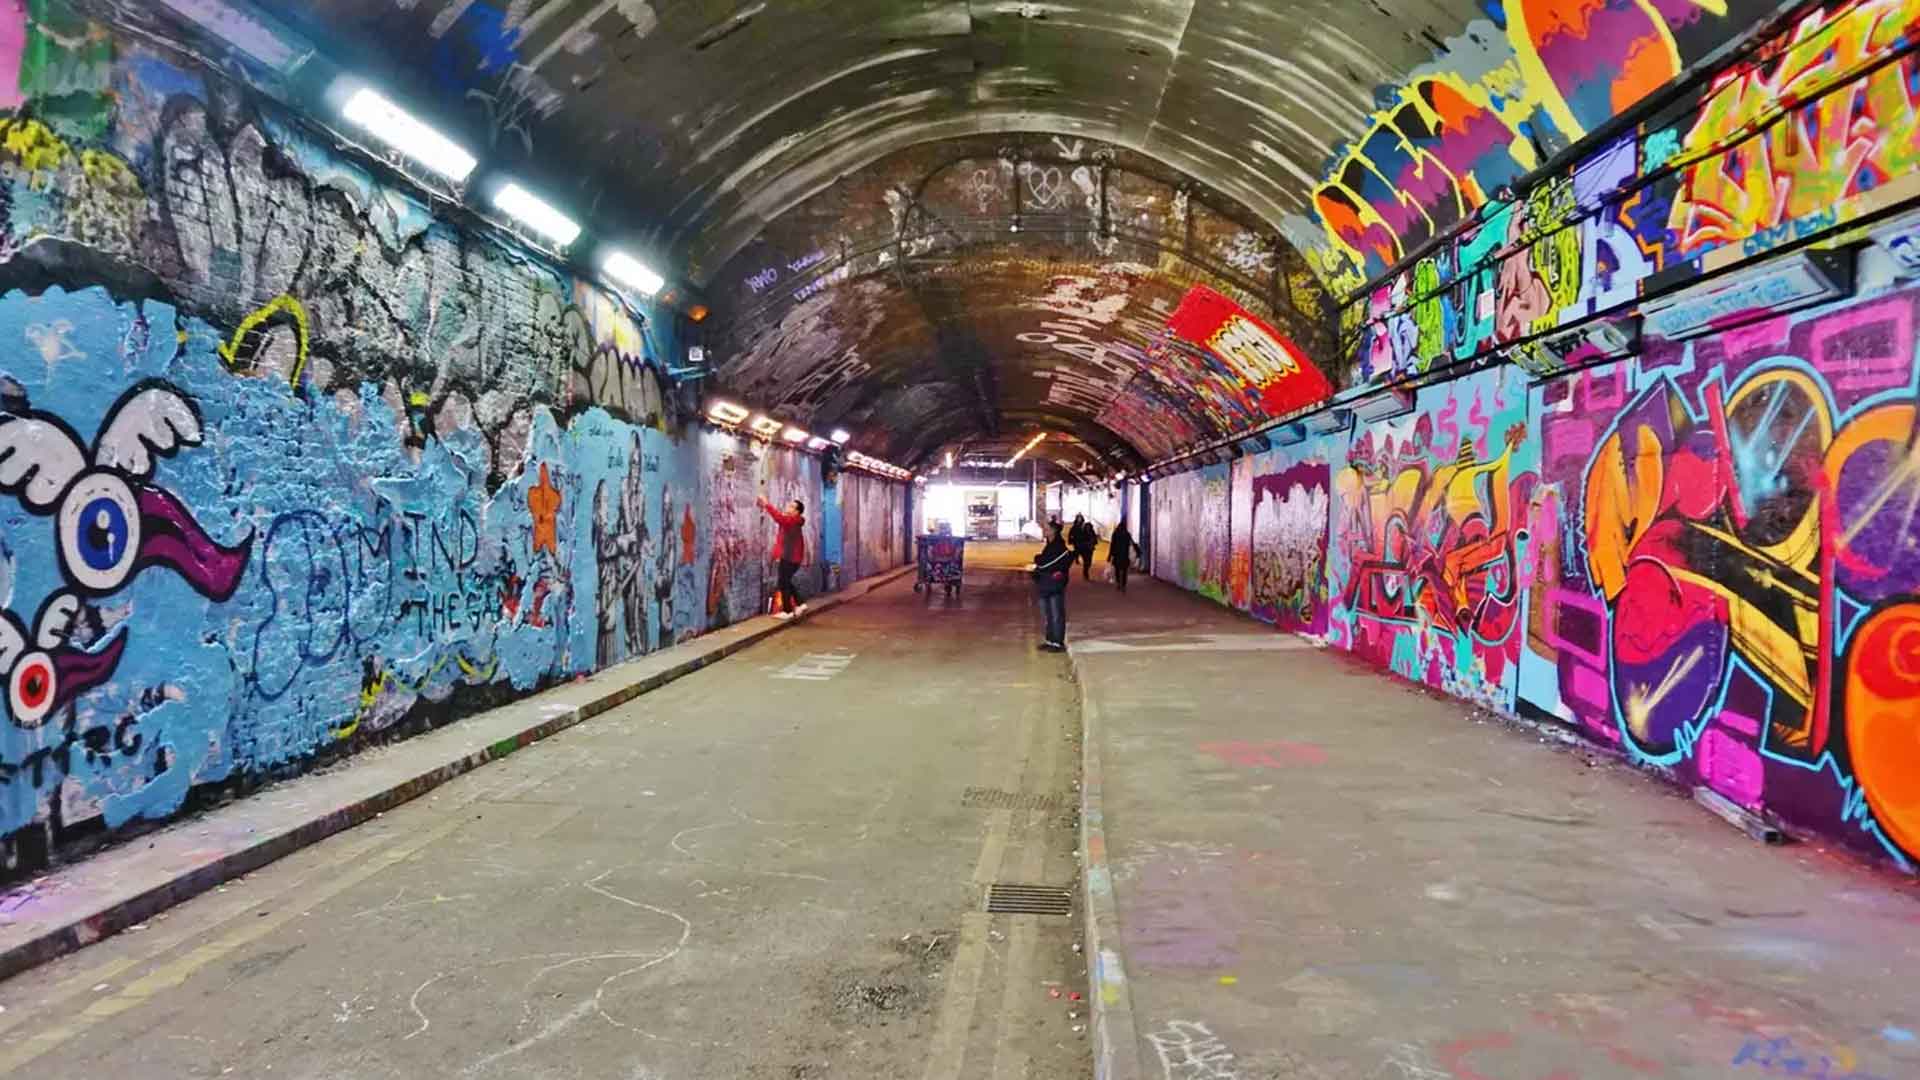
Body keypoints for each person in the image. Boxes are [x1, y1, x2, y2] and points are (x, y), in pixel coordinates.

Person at [758, 494, 808, 619]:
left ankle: (788, 611)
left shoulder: (792, 521)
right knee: (786, 582)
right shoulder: (792, 521)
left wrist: (766, 504)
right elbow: (782, 539)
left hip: (789, 558)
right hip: (791, 558)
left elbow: (778, 518)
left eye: (792, 507)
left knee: (783, 583)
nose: (788, 507)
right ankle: (800, 604)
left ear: (797, 512)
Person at [1028, 519, 1074, 651]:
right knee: (1047, 614)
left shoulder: (1059, 548)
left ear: (1054, 531)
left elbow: (1044, 564)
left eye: (1046, 528)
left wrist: (1037, 560)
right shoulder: (1049, 546)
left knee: (1056, 614)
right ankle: (1050, 640)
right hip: (1045, 585)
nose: (1044, 530)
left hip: (1054, 586)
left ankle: (1058, 643)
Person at [1107, 520, 1135, 593]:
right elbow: (1132, 543)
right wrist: (1137, 551)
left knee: (1117, 570)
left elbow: (1112, 545)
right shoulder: (1127, 534)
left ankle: (1119, 583)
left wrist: (1110, 555)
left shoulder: (1115, 534)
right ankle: (1124, 584)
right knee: (1125, 571)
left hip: (1117, 555)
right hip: (1125, 556)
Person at [1068, 514, 1098, 580]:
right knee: (1085, 560)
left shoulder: (1089, 531)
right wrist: (1071, 540)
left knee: (1088, 561)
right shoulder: (1076, 527)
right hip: (1081, 546)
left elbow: (1094, 539)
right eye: (1078, 518)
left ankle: (1085, 570)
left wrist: (1093, 543)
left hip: (1088, 548)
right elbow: (1071, 534)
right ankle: (1085, 572)